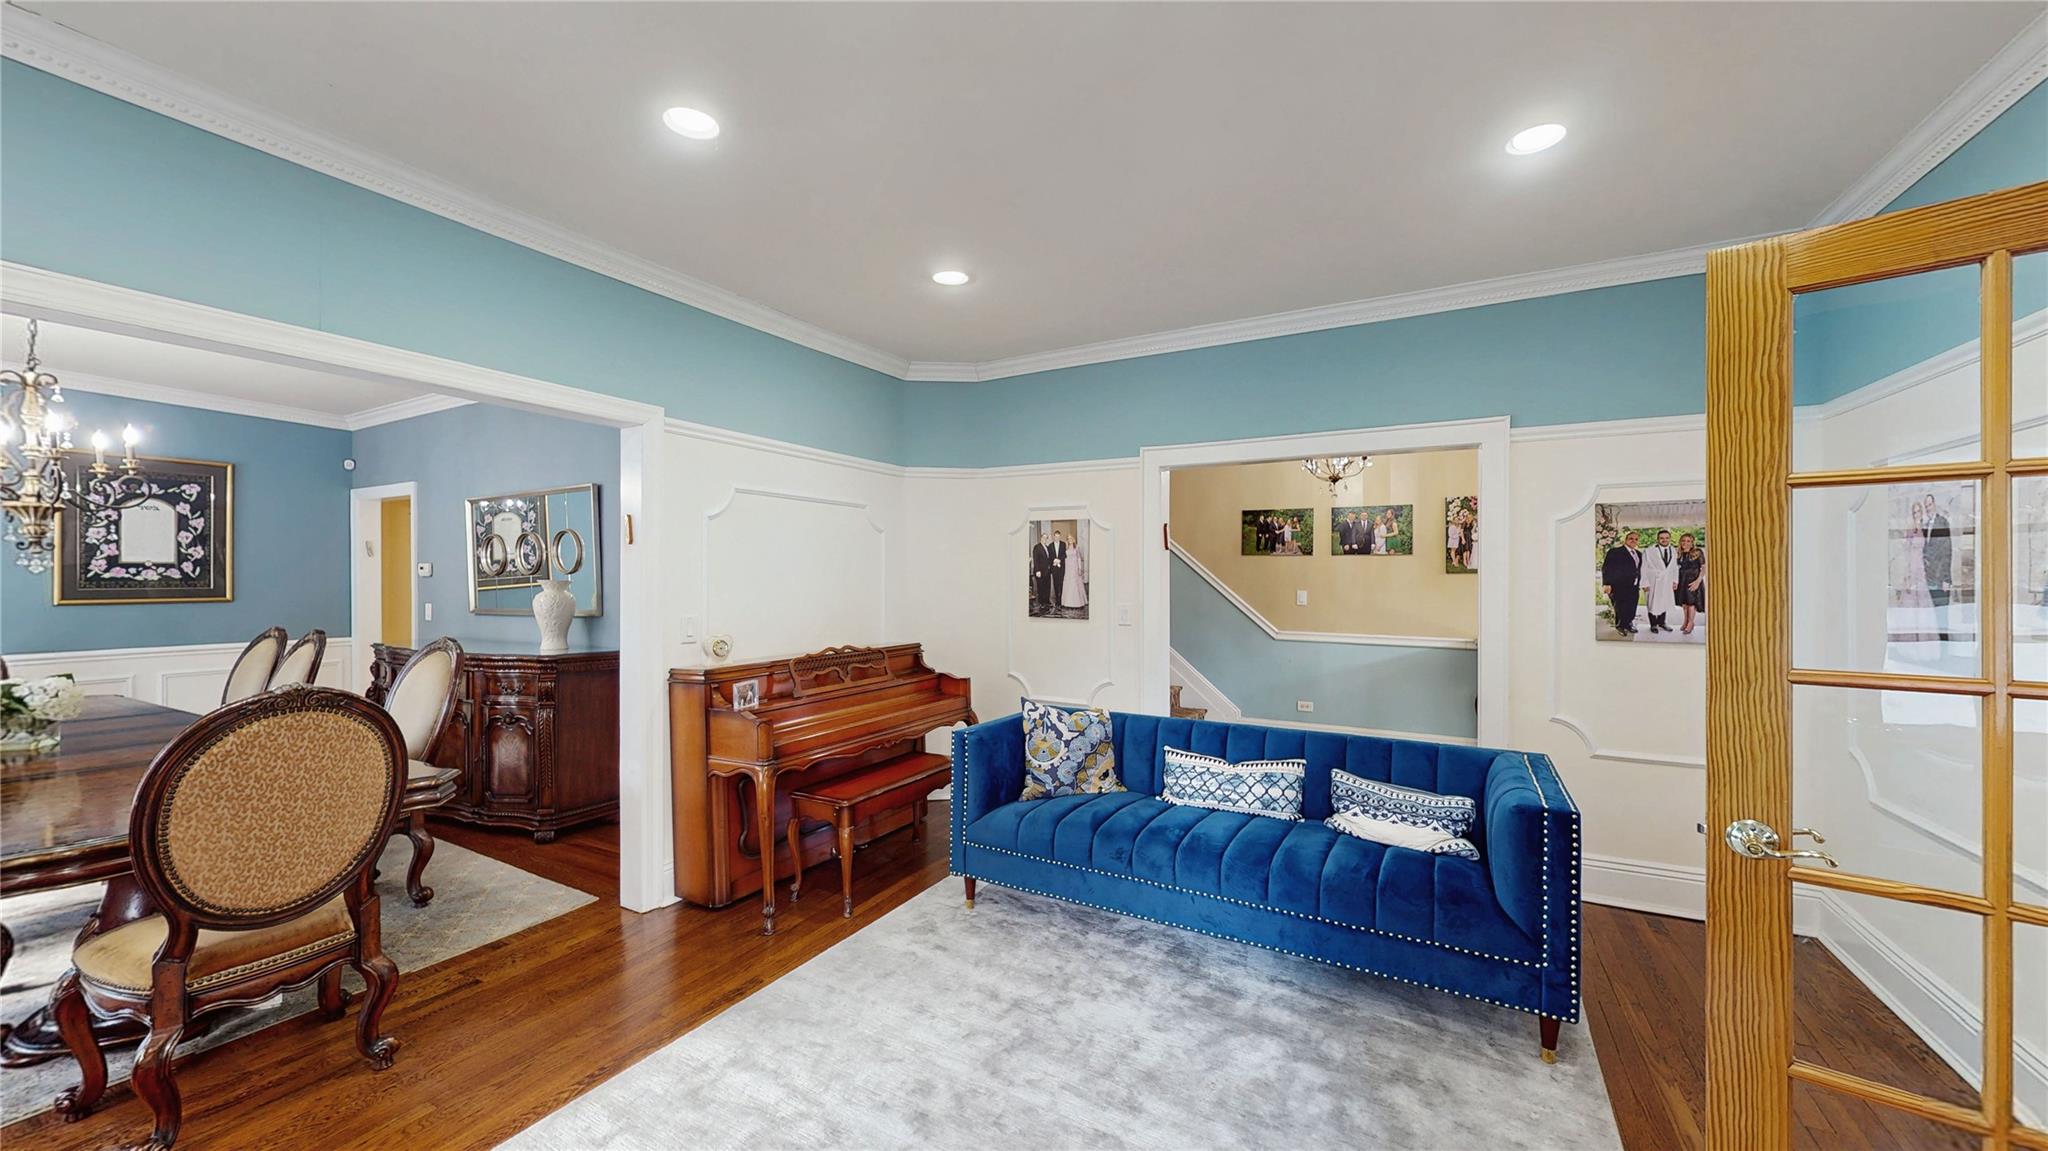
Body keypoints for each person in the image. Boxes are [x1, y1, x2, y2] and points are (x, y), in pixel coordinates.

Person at [1898, 503, 1937, 643]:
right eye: (1915, 512)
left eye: (1919, 511)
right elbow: (1906, 552)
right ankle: (1910, 641)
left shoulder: (1925, 528)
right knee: (1911, 603)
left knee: (1923, 603)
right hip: (1912, 567)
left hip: (1922, 567)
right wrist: (1907, 575)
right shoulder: (1911, 530)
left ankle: (1925, 640)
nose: (1917, 514)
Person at [1922, 493, 1953, 642]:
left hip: (1940, 577)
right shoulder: (1926, 524)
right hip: (1929, 577)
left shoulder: (1942, 522)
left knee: (1942, 614)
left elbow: (1947, 551)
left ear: (1934, 504)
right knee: (1932, 613)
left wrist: (1946, 579)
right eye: (1926, 506)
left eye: (1929, 505)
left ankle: (1943, 643)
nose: (1928, 508)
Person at [1601, 532, 1644, 636]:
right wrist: (1607, 583)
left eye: (1636, 539)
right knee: (1620, 607)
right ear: (1625, 539)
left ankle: (1629, 624)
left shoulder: (1639, 554)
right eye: (1631, 538)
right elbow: (1607, 568)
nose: (1633, 541)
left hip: (1634, 586)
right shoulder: (1615, 552)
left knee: (1632, 606)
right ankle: (1620, 626)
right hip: (1618, 586)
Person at [1640, 528, 1681, 634]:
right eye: (1662, 538)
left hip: (1667, 580)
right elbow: (1643, 568)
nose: (1664, 540)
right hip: (1653, 580)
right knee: (1652, 602)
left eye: (1667, 538)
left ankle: (1662, 622)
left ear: (1670, 539)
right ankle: (1653, 624)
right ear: (1658, 539)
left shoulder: (1673, 550)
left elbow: (1674, 567)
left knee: (1664, 601)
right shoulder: (1649, 551)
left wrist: (1675, 581)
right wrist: (1644, 583)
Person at [1676, 532, 1707, 636]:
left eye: (1688, 541)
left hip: (1693, 581)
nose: (1686, 543)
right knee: (1684, 604)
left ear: (1692, 542)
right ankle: (1685, 621)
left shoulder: (1697, 552)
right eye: (1683, 541)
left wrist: (1698, 581)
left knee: (1691, 604)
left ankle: (1691, 623)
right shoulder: (1678, 553)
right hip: (1682, 581)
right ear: (1680, 542)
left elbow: (1703, 568)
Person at [1061, 530, 1088, 611]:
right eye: (1068, 539)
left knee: (1075, 583)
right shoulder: (1066, 547)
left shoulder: (1077, 547)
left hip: (1074, 568)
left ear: (1073, 539)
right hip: (1068, 569)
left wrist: (1079, 568)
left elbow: (1079, 558)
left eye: (1070, 538)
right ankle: (1067, 602)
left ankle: (1076, 602)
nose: (1069, 540)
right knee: (1068, 583)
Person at [1031, 531, 1054, 613]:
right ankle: (1042, 603)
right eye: (1043, 537)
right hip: (1040, 571)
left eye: (1046, 538)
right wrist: (1037, 570)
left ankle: (1047, 601)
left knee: (1047, 586)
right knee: (1041, 587)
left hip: (1047, 571)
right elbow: (1035, 559)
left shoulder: (1047, 547)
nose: (1045, 539)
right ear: (1041, 538)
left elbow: (1049, 559)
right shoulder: (1037, 547)